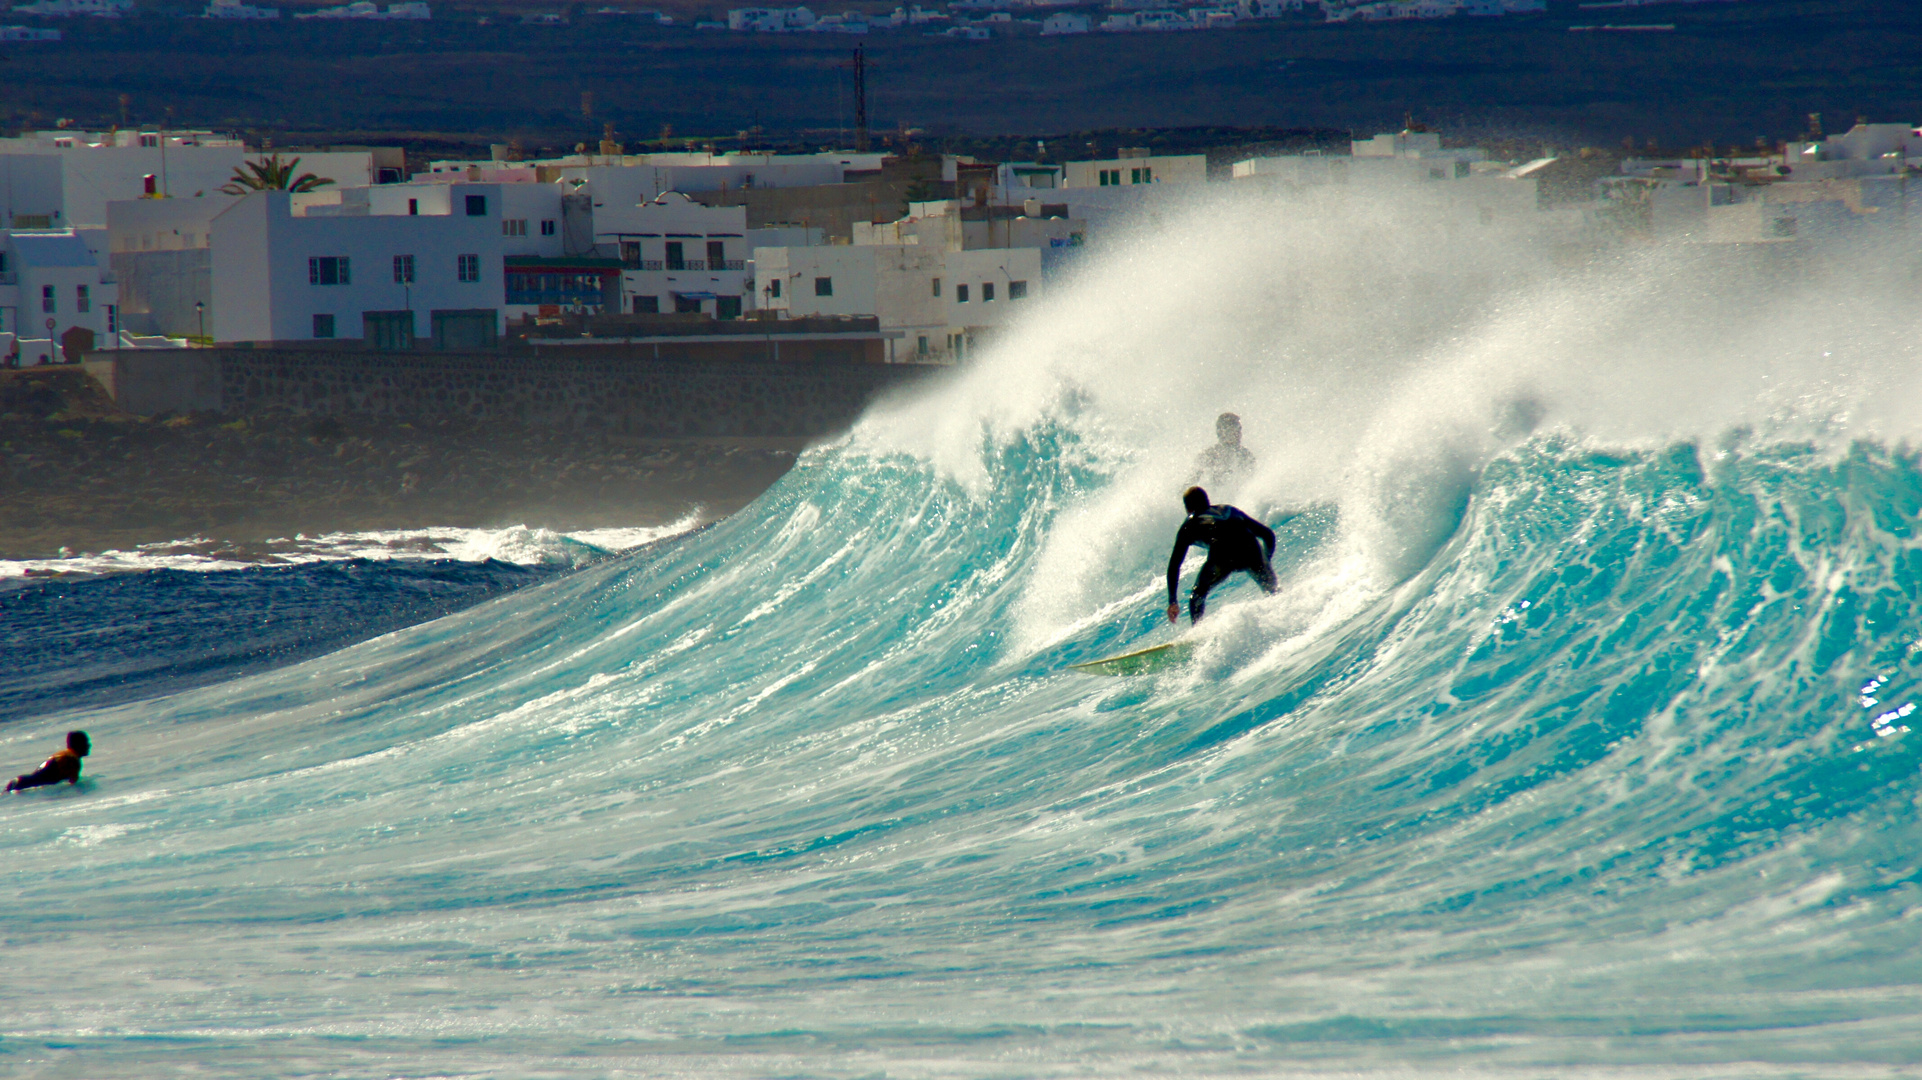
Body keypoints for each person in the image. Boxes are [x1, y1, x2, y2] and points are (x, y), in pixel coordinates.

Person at [1167, 486, 1277, 624]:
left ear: (1187, 508)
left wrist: (1172, 601)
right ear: (1207, 501)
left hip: (1223, 555)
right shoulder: (1229, 510)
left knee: (1197, 596)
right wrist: (1266, 560)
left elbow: (1174, 565)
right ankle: (1281, 610)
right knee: (1273, 592)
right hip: (1251, 550)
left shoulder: (1189, 525)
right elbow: (1268, 535)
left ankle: (1198, 632)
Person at [1189, 412, 1257, 491]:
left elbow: (1253, 482)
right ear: (1221, 432)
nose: (1239, 434)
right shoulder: (1208, 455)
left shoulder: (1246, 456)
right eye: (1234, 429)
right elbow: (1191, 482)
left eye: (1239, 429)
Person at [6, 731, 90, 793]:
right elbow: (72, 785)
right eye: (86, 742)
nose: (89, 745)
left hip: (19, 782)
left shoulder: (62, 754)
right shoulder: (72, 760)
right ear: (79, 744)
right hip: (23, 786)